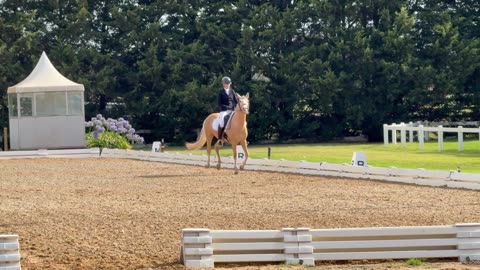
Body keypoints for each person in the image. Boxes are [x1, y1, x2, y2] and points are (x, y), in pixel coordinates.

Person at [217, 76, 238, 146]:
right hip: (224, 110)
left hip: (232, 110)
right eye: (227, 83)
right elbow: (219, 103)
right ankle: (220, 139)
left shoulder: (232, 91)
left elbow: (236, 101)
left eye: (229, 83)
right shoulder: (221, 92)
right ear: (223, 84)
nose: (228, 85)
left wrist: (235, 107)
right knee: (222, 122)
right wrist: (227, 107)